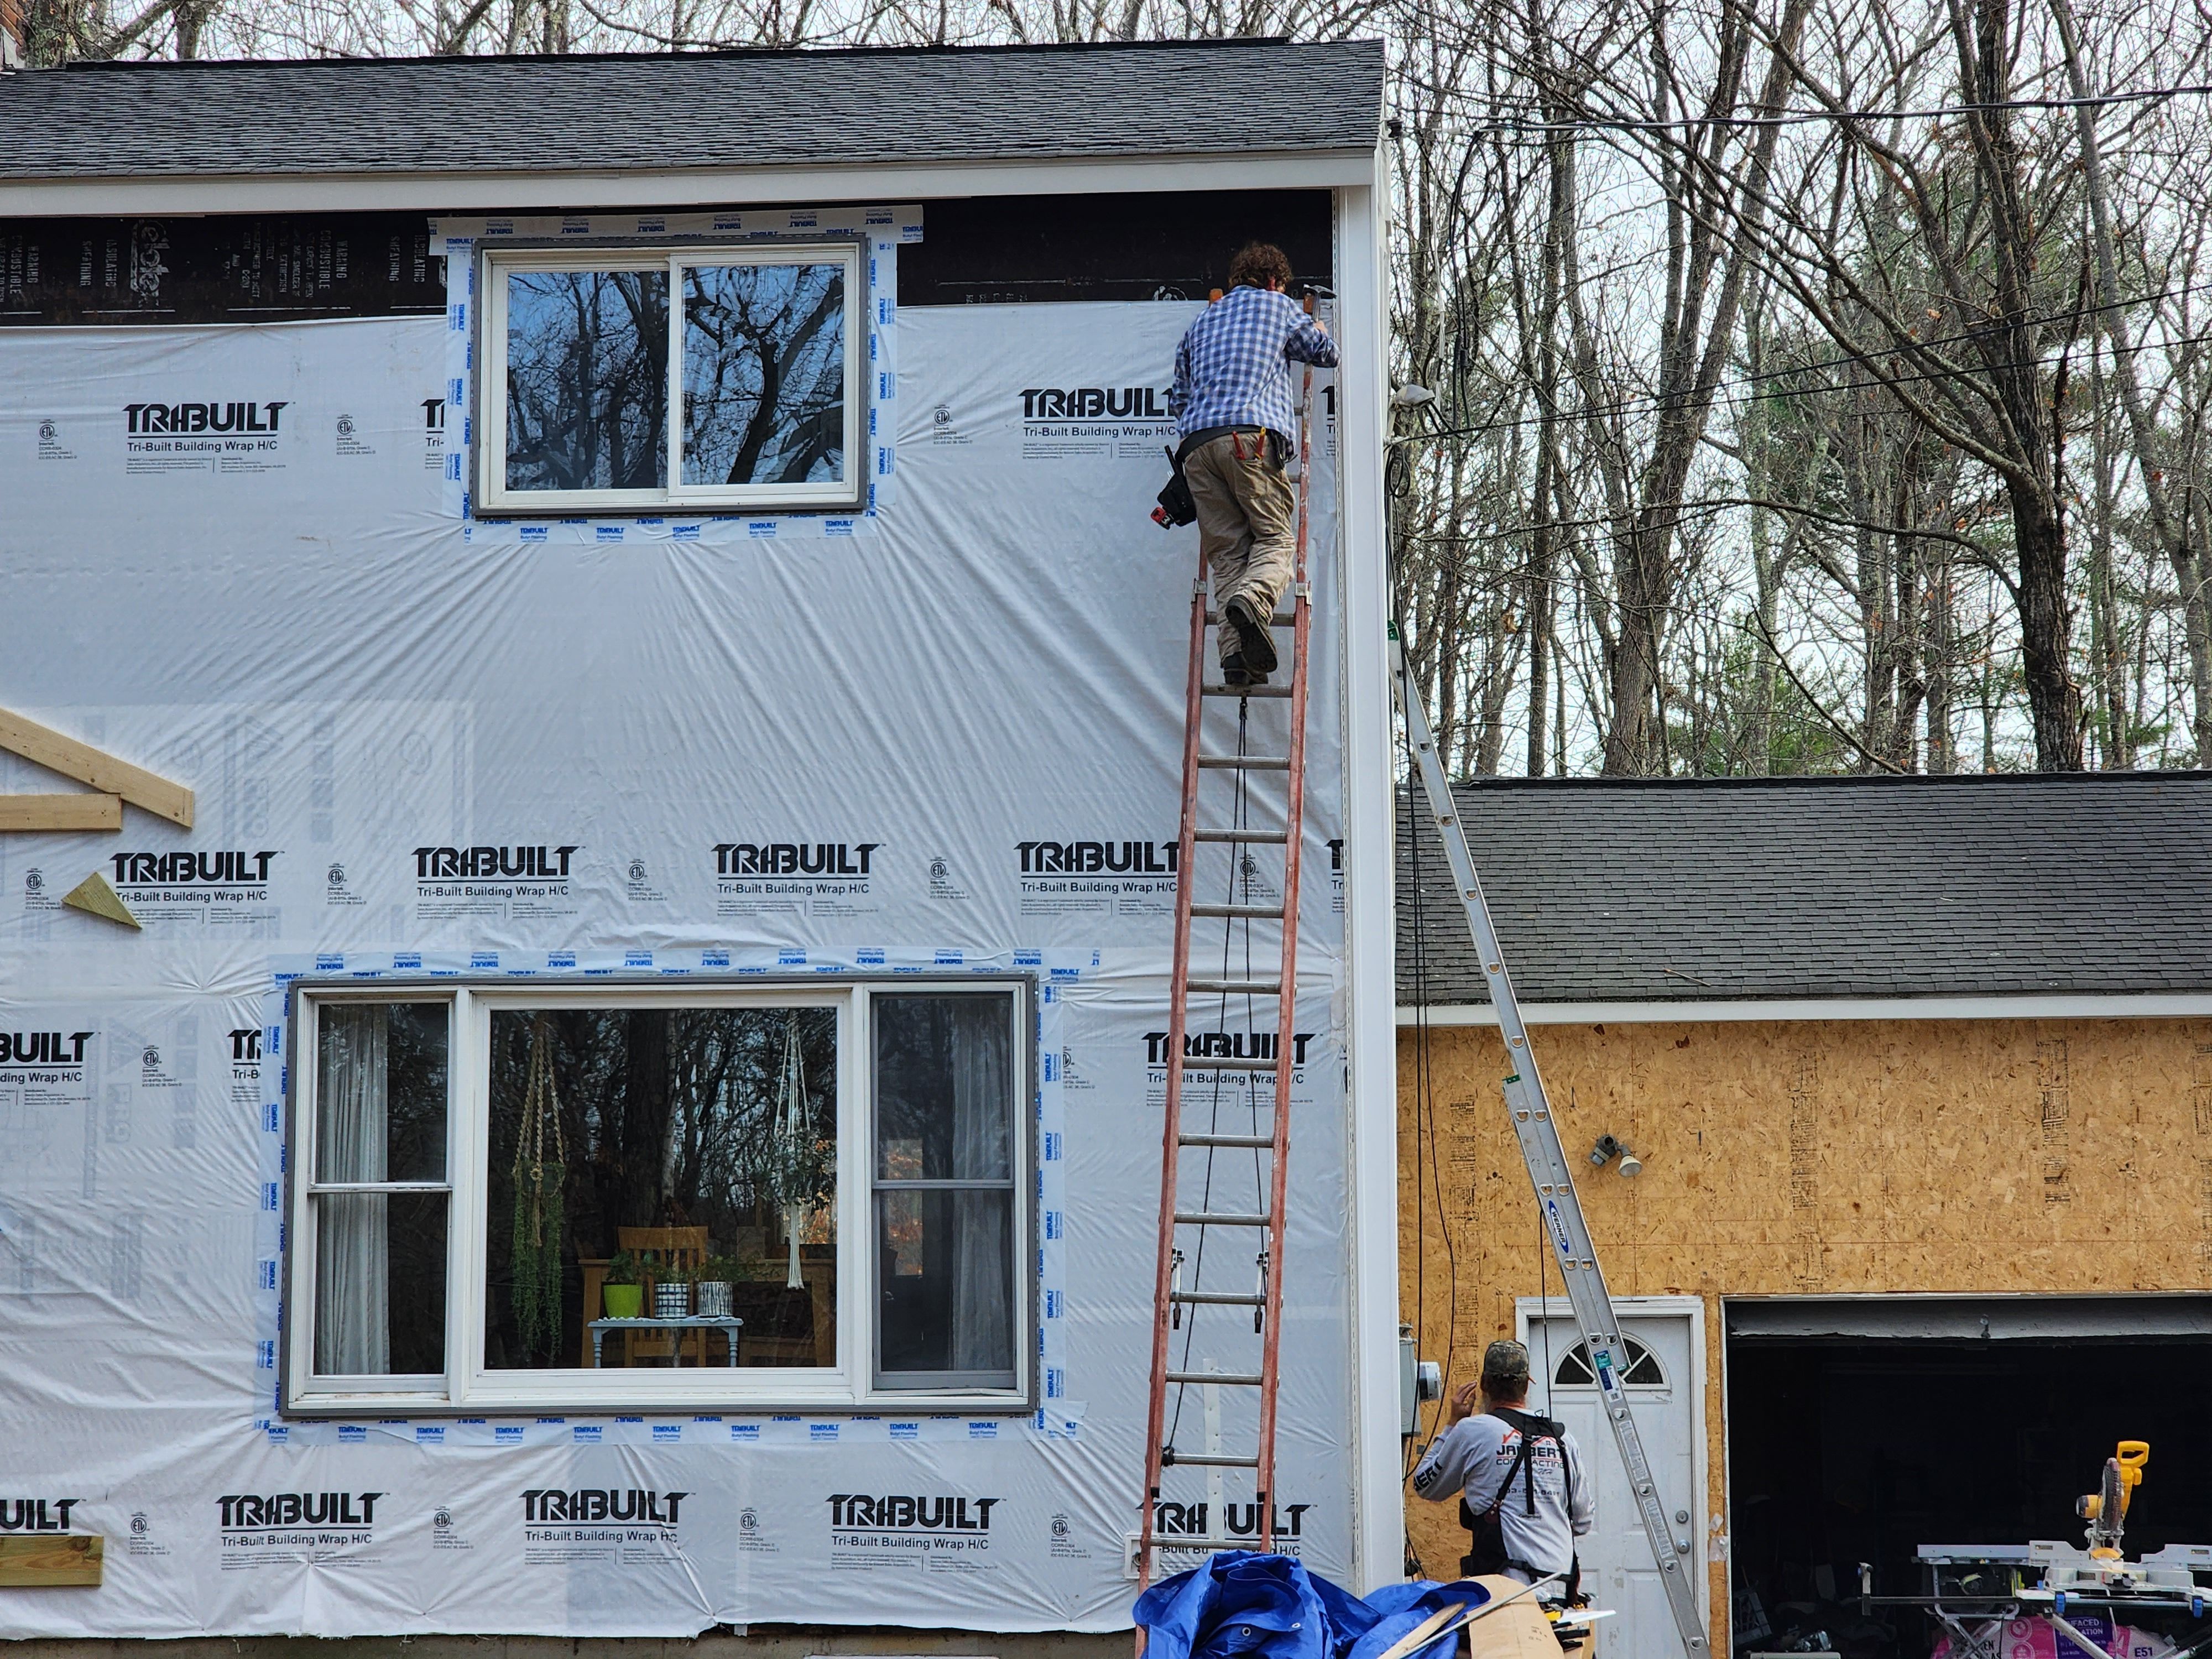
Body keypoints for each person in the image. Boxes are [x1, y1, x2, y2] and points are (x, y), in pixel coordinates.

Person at [1167, 242, 1340, 688]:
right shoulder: (1279, 307)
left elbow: (1179, 400)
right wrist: (1318, 324)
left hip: (1197, 450)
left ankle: (1236, 659)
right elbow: (1326, 354)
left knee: (1227, 556)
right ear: (1272, 281)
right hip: (1250, 439)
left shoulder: (1201, 322)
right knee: (1277, 540)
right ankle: (1253, 599)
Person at [1411, 1339, 1594, 1594]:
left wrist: (1453, 1423)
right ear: (1527, 1385)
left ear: (1484, 1384)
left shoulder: (1473, 1431)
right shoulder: (1563, 1439)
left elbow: (1425, 1485)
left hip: (1505, 1593)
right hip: (1560, 1589)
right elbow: (1583, 1521)